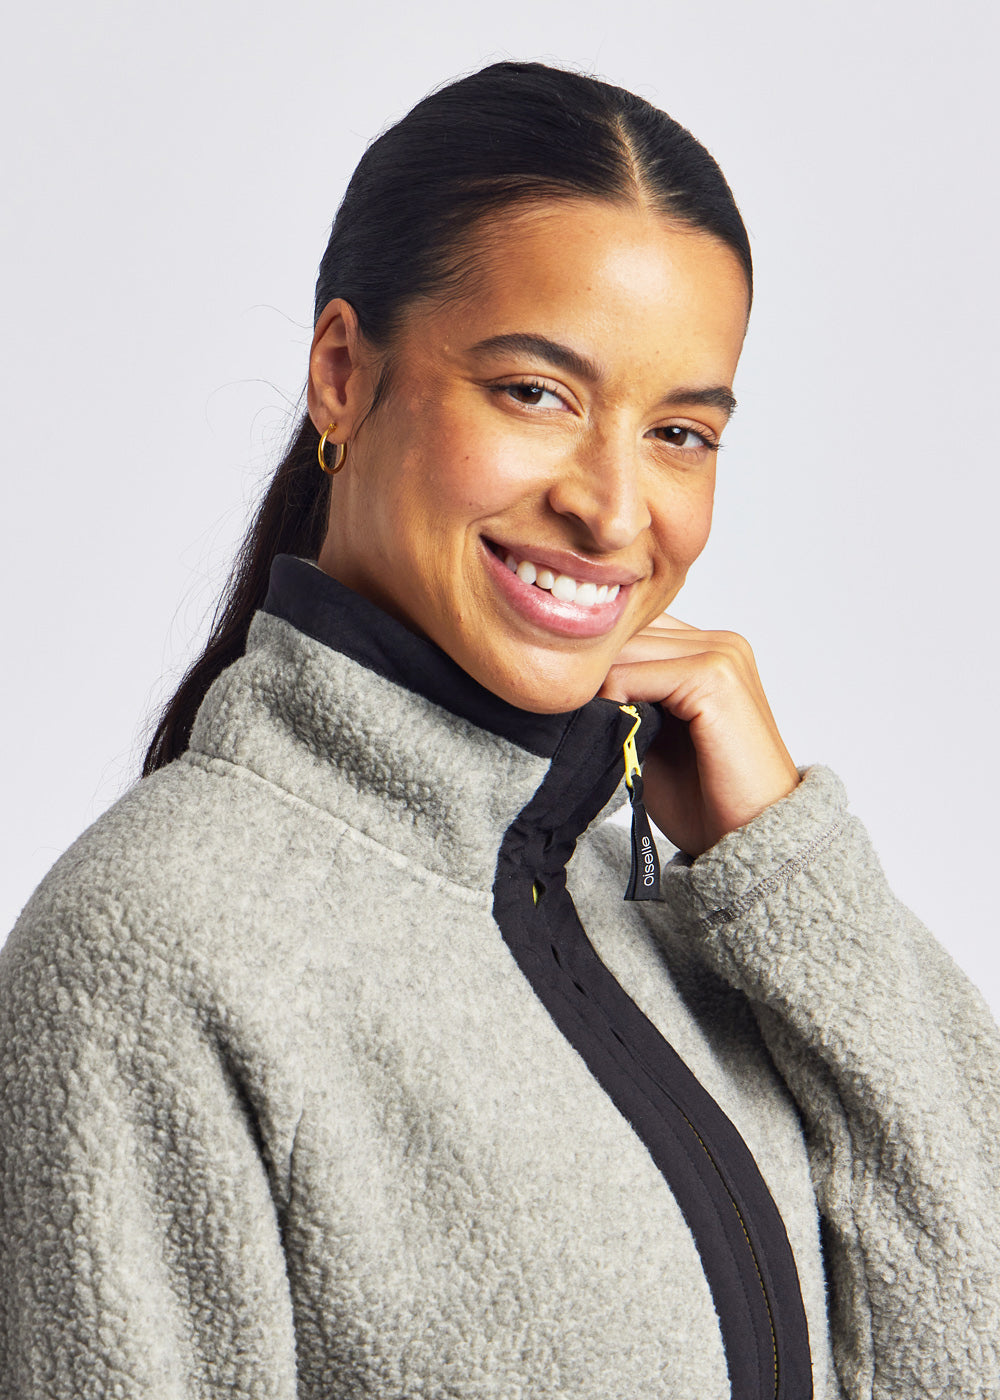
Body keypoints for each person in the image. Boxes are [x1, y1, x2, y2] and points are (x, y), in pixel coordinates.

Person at [0, 60, 997, 1400]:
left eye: (681, 432)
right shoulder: (152, 953)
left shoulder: (676, 909)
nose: (614, 508)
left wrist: (787, 866)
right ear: (342, 375)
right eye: (537, 392)